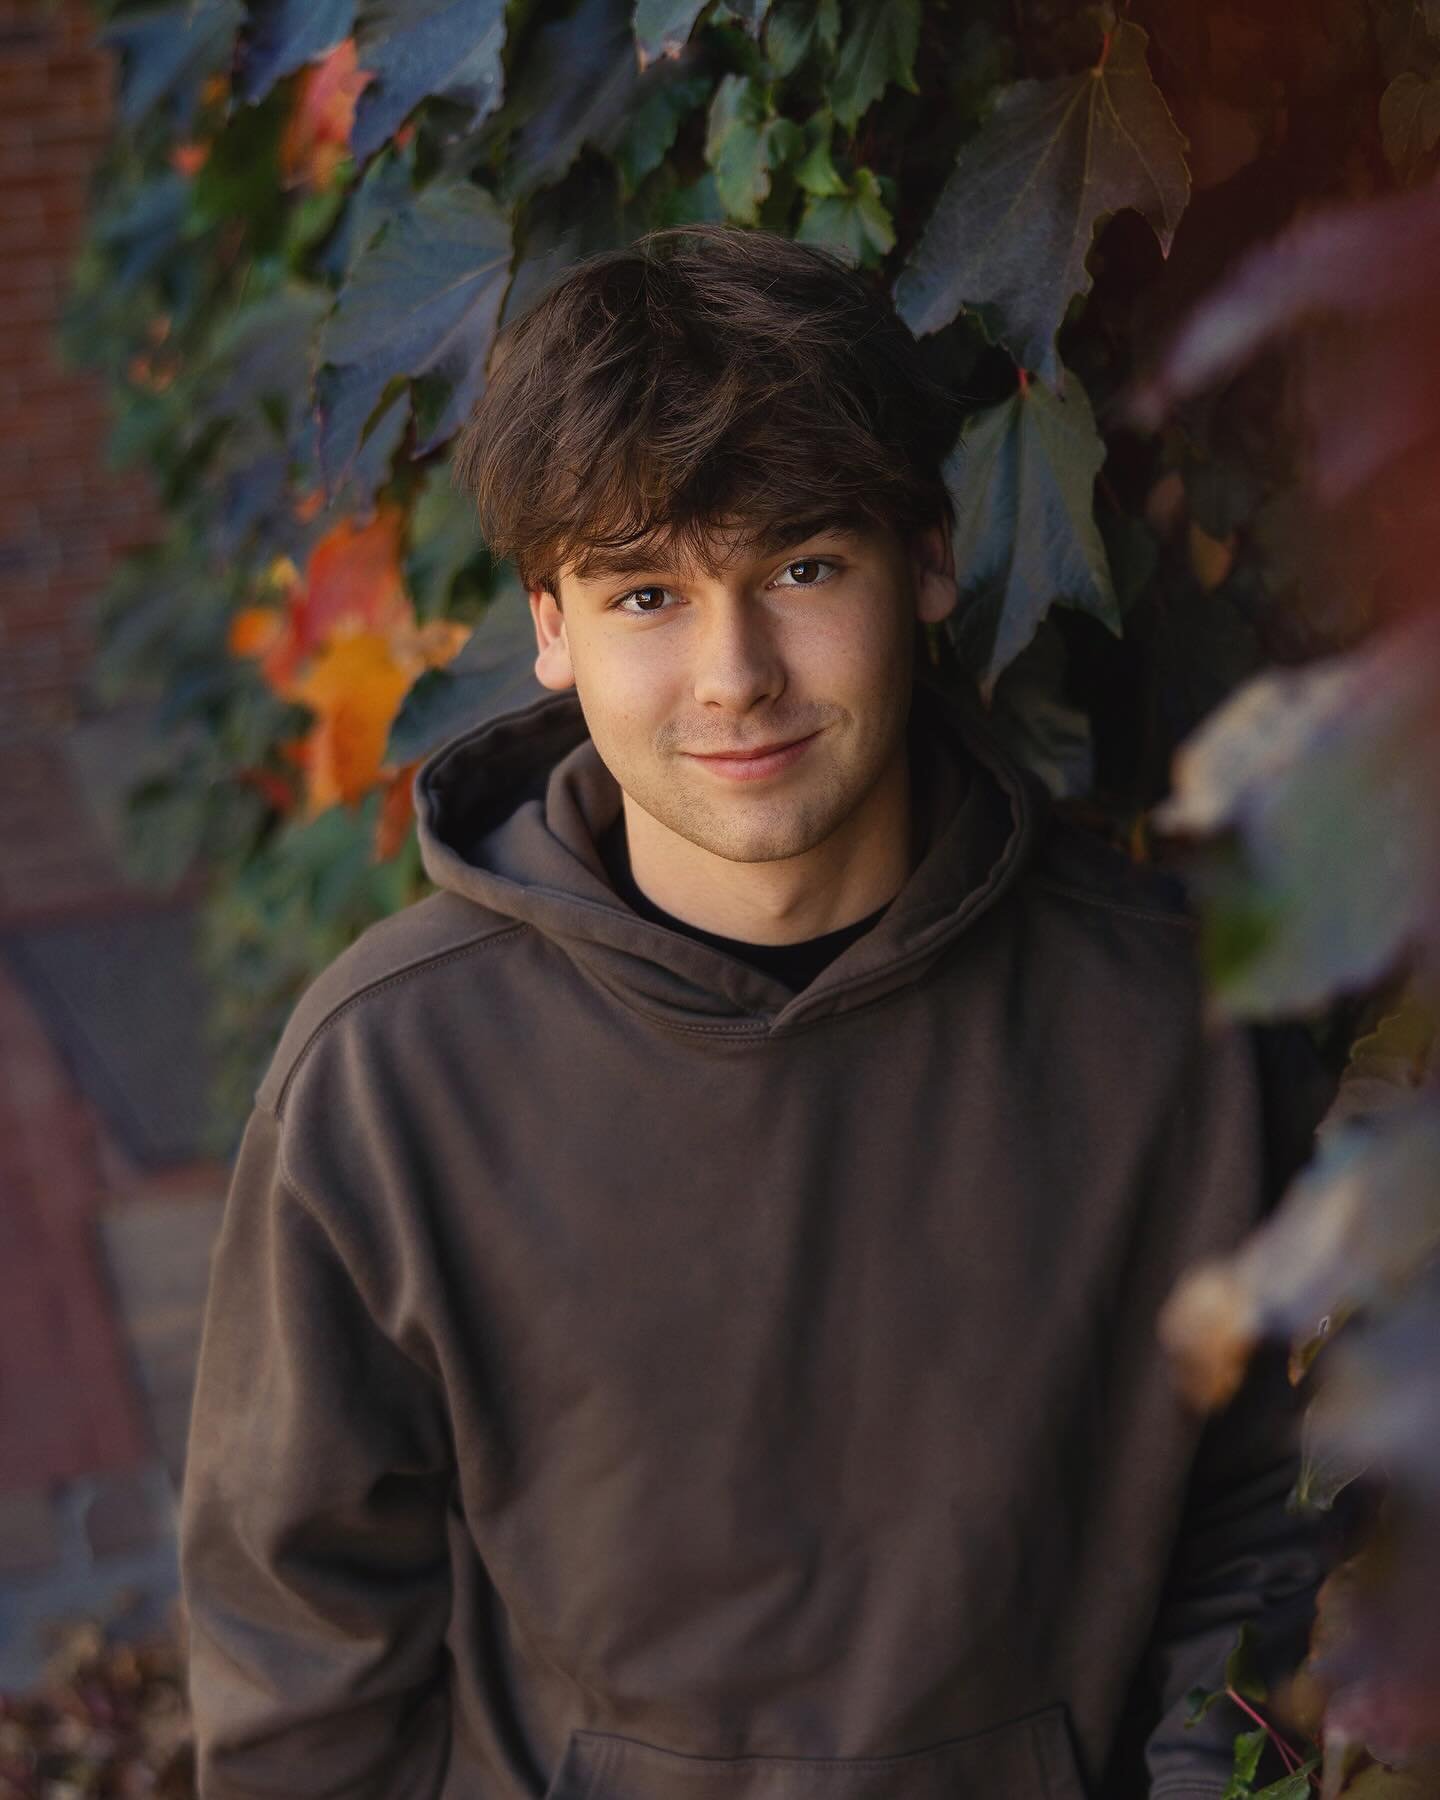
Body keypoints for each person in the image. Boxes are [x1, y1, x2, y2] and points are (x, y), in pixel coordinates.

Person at [178, 224, 1339, 1799]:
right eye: (647, 592)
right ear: (547, 625)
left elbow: (1268, 1526)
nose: (734, 675)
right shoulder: (386, 1080)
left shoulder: (1179, 1020)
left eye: (801, 568)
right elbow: (302, 1659)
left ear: (927, 560)